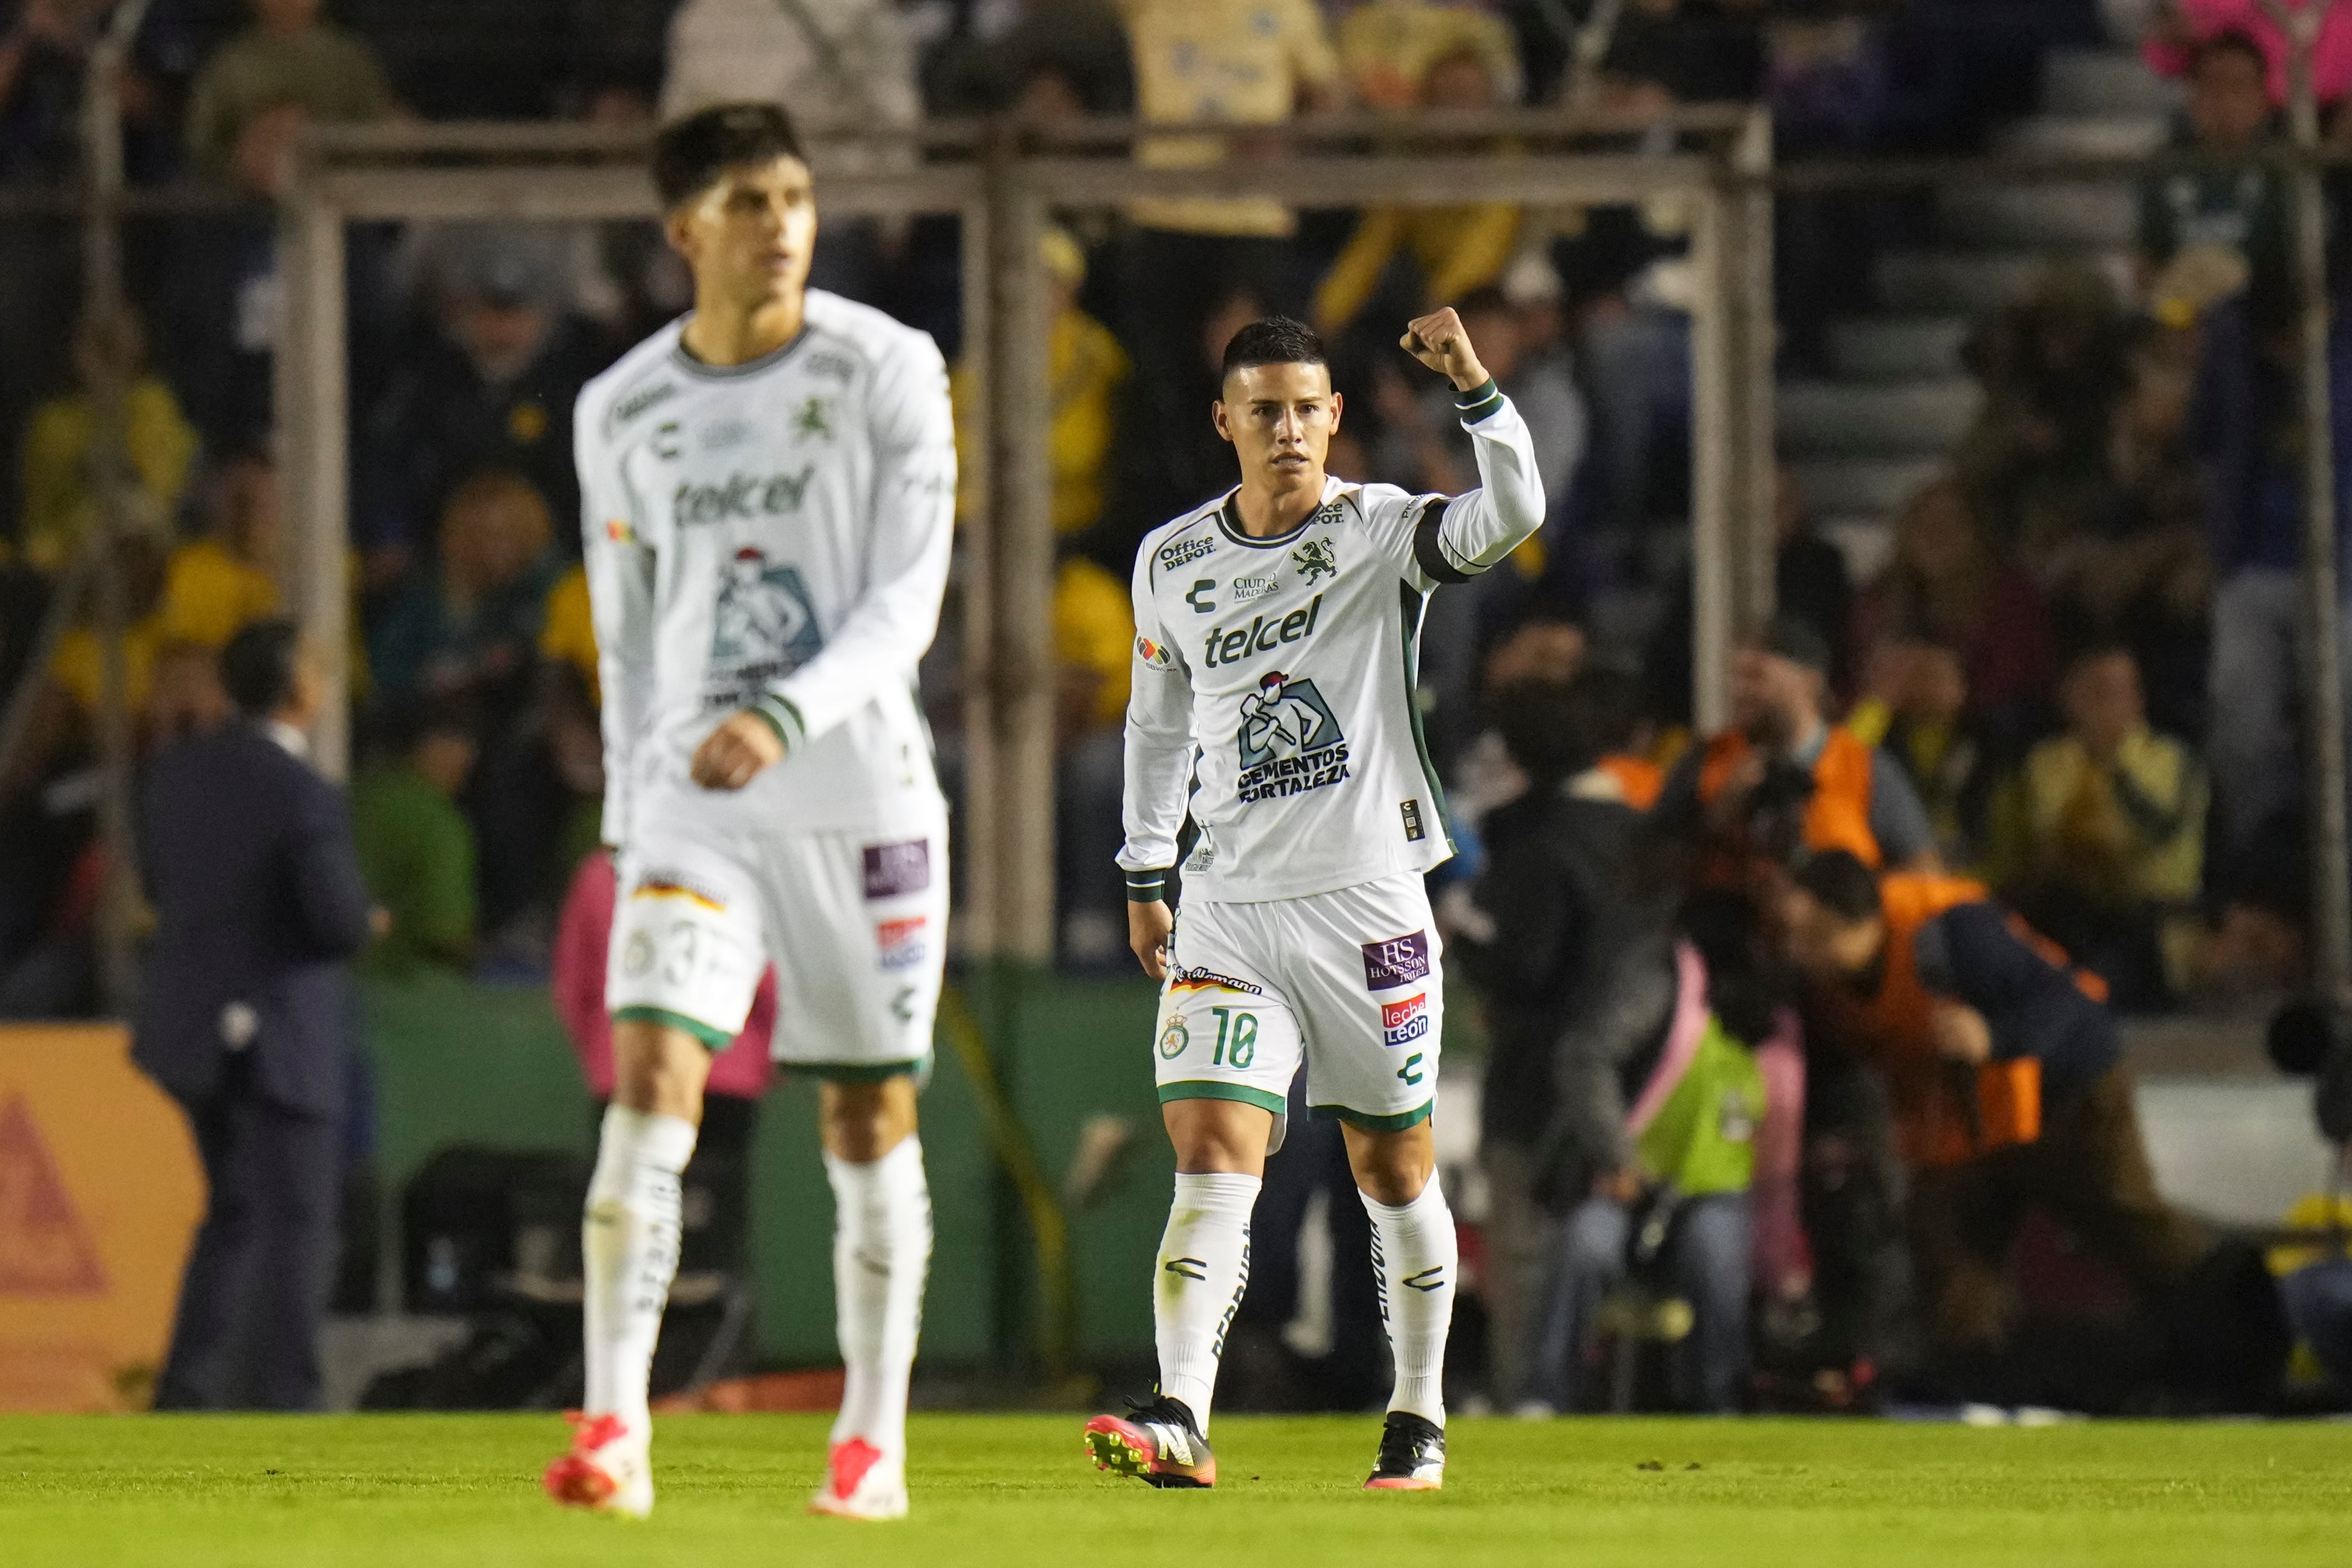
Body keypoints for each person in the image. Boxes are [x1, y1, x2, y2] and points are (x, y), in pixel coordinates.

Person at [543, 103, 954, 1523]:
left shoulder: (889, 365)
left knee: (864, 1111)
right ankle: (612, 1424)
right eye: (746, 199)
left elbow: (910, 599)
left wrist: (781, 711)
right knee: (647, 1088)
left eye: (795, 194)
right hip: (692, 803)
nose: (781, 222)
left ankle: (870, 1436)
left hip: (857, 792)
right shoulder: (622, 407)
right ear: (684, 231)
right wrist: (629, 796)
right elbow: (628, 618)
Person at [1085, 307, 1544, 1491]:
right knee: (1211, 1150)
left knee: (1393, 1171)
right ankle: (1181, 1407)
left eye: (1307, 407)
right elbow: (1157, 722)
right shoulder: (1169, 560)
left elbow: (1515, 515)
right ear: (1225, 419)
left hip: (1368, 903)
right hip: (1228, 902)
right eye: (1265, 408)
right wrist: (1145, 870)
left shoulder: (1380, 528)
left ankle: (1420, 1412)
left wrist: (1477, 390)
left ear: (1335, 416)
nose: (1287, 427)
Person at [1777, 850, 2212, 1370]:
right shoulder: (1824, 988)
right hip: (1963, 1125)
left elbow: (2067, 1000)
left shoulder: (1950, 929)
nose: (1790, 949)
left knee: (2137, 1225)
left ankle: (2225, 1340)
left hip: (2065, 1094)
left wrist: (1993, 1035)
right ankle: (1977, 1383)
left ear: (1840, 921)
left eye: (1802, 933)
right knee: (1947, 1250)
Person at [135, 619, 377, 1410]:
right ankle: (288, 1395)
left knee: (235, 1211)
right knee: (298, 1223)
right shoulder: (301, 790)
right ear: (301, 689)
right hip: (282, 1034)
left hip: (189, 1029)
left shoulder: (176, 776)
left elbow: (157, 887)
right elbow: (334, 917)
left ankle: (190, 1390)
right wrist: (366, 922)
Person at [1986, 646, 2206, 1011]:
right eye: (2094, 691)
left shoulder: (2173, 760)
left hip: (2148, 922)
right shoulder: (2043, 763)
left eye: (2119, 692)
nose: (2107, 704)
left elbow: (2157, 832)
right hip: (2067, 911)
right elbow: (2029, 845)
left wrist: (2112, 768)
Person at [1653, 615, 1939, 884]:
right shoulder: (1704, 760)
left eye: (1756, 676)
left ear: (1810, 683)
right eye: (1736, 677)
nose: (1740, 691)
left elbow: (1924, 871)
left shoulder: (1865, 767)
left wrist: (1853, 905)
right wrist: (1715, 816)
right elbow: (1644, 870)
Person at [183, 0, 395, 183]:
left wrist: (314, 140)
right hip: (245, 209)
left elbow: (377, 134)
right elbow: (201, 144)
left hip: (338, 197)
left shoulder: (351, 60)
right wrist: (246, 158)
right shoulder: (230, 63)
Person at [351, 703, 480, 977]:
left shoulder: (354, 796)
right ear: (431, 746)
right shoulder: (438, 822)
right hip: (411, 987)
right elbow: (445, 928)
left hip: (338, 982)